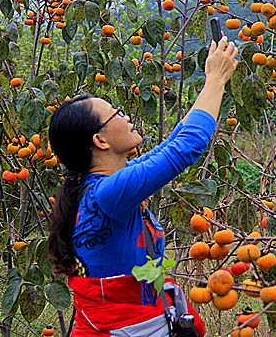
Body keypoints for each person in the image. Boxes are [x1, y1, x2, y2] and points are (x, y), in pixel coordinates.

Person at [47, 36, 239, 337]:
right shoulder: (110, 193)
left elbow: (174, 143)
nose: (126, 117)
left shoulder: (109, 185)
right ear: (100, 140)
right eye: (115, 114)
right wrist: (215, 79)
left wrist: (214, 80)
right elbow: (187, 147)